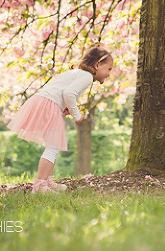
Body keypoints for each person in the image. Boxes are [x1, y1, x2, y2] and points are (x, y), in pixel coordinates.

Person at [7, 47, 114, 193]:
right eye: (109, 69)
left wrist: (65, 107)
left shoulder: (77, 73)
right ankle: (40, 186)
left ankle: (46, 181)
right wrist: (77, 115)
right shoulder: (87, 76)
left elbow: (61, 91)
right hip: (48, 104)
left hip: (44, 102)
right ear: (97, 65)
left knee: (54, 145)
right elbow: (69, 94)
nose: (109, 73)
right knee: (53, 146)